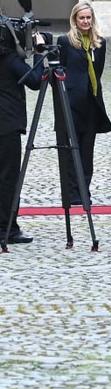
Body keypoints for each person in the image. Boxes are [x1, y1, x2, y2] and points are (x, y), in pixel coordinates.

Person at [55, 3, 111, 205]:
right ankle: (71, 193)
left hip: (91, 103)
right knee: (72, 150)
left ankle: (83, 190)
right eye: (82, 18)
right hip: (71, 104)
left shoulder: (100, 43)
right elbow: (59, 72)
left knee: (87, 152)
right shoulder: (65, 42)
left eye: (89, 18)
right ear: (75, 20)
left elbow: (98, 72)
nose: (86, 22)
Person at [0, 34, 42, 244]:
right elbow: (35, 81)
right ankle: (7, 228)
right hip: (6, 125)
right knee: (8, 179)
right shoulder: (10, 60)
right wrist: (39, 54)